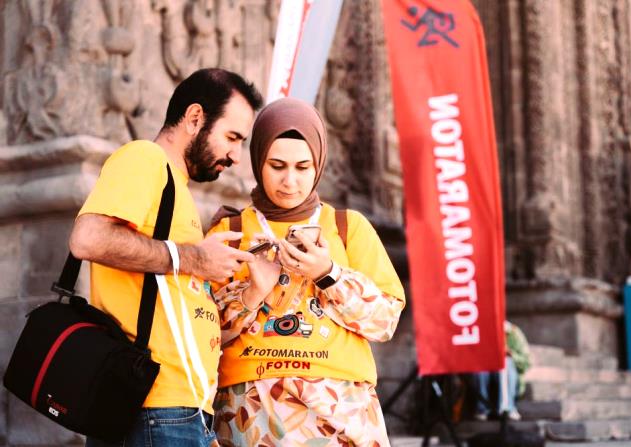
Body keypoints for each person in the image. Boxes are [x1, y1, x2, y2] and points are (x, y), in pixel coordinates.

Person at [69, 68, 263, 447]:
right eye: (232, 137)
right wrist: (193, 258)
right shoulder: (145, 159)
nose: (236, 156)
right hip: (155, 408)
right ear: (194, 118)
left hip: (179, 408)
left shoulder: (177, 187)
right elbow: (87, 238)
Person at [207, 98, 406, 446]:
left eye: (303, 167)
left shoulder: (348, 227)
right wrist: (251, 294)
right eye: (277, 165)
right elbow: (201, 332)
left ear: (319, 164)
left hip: (341, 407)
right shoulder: (231, 229)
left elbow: (385, 320)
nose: (290, 181)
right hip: (252, 406)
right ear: (257, 162)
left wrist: (328, 274)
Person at [472, 320, 531, 421]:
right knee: (479, 364)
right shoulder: (480, 331)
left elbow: (526, 363)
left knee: (506, 362)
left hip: (509, 377)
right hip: (487, 376)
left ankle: (507, 409)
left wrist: (510, 354)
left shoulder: (513, 333)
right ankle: (482, 409)